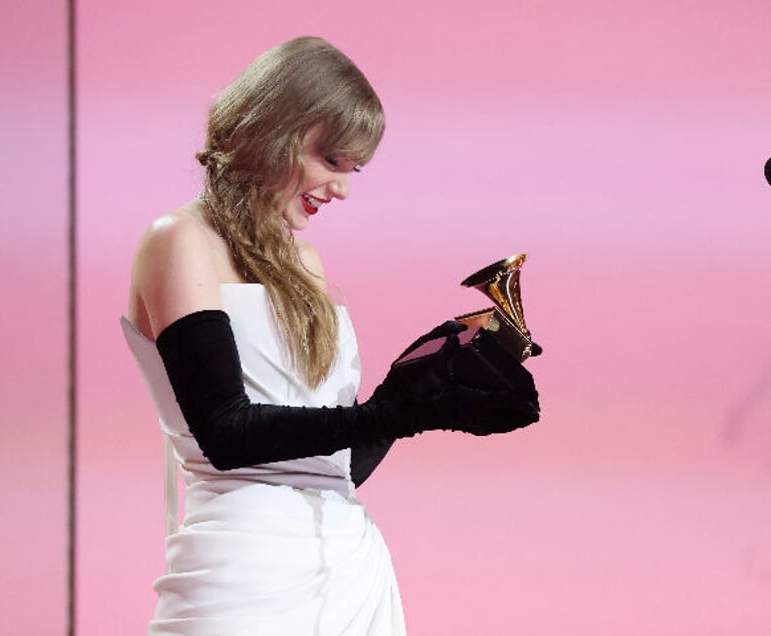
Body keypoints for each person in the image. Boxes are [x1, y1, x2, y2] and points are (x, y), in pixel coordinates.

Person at [122, 36, 540, 635]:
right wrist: (396, 413)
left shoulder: (308, 268)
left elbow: (331, 465)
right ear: (275, 131)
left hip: (352, 574)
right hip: (240, 581)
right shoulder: (180, 242)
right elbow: (226, 433)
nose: (342, 188)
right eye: (331, 161)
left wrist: (417, 389)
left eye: (353, 169)